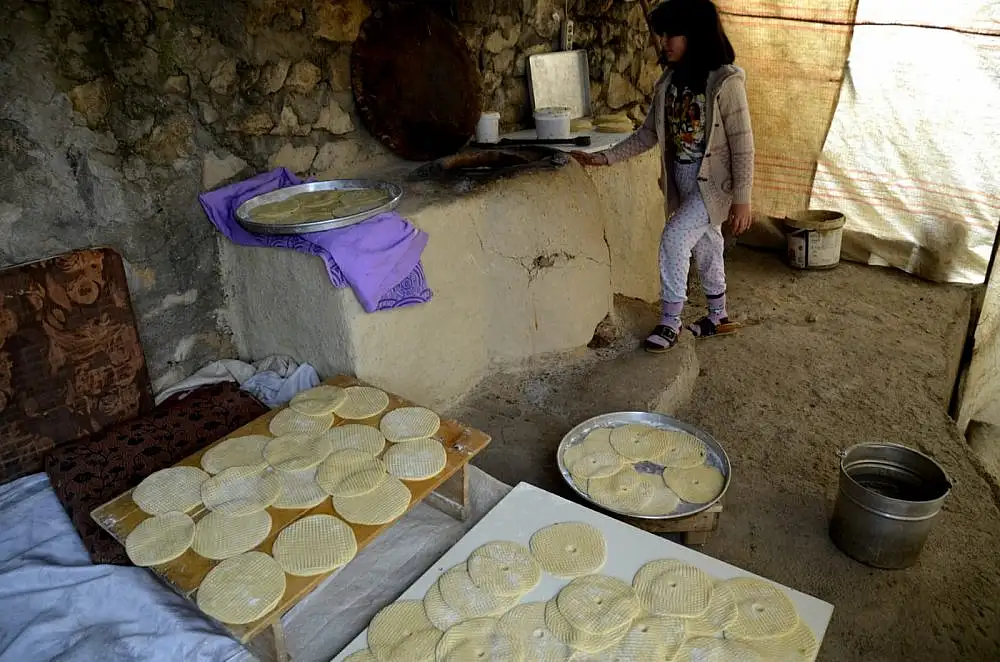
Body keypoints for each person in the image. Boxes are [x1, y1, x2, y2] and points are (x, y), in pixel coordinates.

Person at [573, 0, 754, 353]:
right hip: (682, 182)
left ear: (696, 36)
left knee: (674, 239)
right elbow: (647, 135)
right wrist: (605, 158)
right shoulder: (669, 82)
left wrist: (742, 199)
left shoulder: (726, 82)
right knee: (706, 243)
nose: (664, 42)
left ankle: (671, 320)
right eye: (663, 34)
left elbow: (743, 144)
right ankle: (718, 315)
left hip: (714, 187)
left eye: (673, 34)